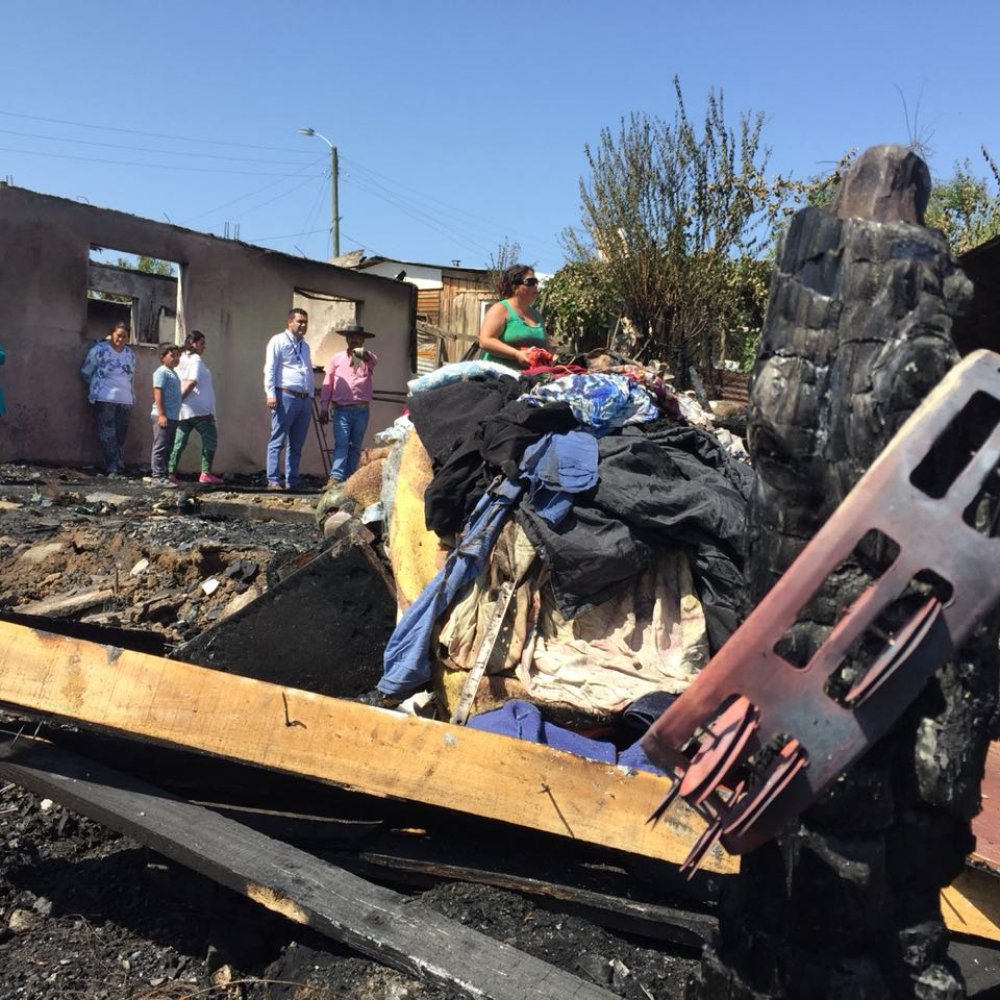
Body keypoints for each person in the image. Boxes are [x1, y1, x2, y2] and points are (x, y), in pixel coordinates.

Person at [319, 323, 378, 487]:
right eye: (350, 337)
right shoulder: (336, 359)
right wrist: (324, 406)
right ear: (346, 339)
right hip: (341, 410)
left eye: (357, 337)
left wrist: (361, 355)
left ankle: (350, 480)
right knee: (342, 443)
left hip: (361, 410)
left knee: (355, 445)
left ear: (362, 339)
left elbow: (373, 360)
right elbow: (328, 383)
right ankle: (336, 478)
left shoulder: (367, 357)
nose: (353, 340)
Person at [263, 308, 314, 490]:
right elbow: (270, 368)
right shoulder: (278, 340)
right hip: (285, 395)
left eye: (305, 322)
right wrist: (270, 394)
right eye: (300, 321)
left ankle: (292, 481)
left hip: (304, 398)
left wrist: (311, 396)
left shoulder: (305, 346)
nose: (303, 325)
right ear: (289, 322)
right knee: (278, 440)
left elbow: (307, 369)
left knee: (297, 443)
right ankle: (274, 480)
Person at [80, 322, 136, 477]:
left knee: (121, 433)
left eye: (124, 336)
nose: (121, 339)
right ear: (112, 334)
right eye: (119, 335)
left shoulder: (130, 354)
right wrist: (97, 386)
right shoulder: (100, 350)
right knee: (107, 432)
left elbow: (132, 377)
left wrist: (132, 395)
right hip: (105, 397)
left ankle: (116, 463)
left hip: (125, 399)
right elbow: (86, 371)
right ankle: (112, 467)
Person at [168, 330, 224, 485]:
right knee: (210, 439)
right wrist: (179, 399)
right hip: (199, 409)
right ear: (193, 343)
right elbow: (191, 381)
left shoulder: (180, 359)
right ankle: (206, 473)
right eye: (201, 343)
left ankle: (170, 472)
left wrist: (177, 403)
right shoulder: (195, 359)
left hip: (184, 410)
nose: (204, 347)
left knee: (179, 441)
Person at [478, 263, 547, 368]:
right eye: (531, 282)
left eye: (536, 282)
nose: (535, 286)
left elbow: (546, 347)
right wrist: (516, 354)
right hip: (498, 376)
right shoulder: (500, 309)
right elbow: (485, 341)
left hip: (530, 378)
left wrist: (560, 360)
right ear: (515, 287)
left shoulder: (537, 315)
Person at [149, 343, 182, 488]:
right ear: (162, 357)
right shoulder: (161, 372)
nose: (176, 358)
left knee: (168, 446)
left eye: (177, 355)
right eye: (172, 355)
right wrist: (162, 415)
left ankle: (165, 475)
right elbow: (158, 392)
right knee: (160, 445)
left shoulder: (173, 373)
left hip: (173, 416)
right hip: (163, 416)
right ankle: (157, 476)